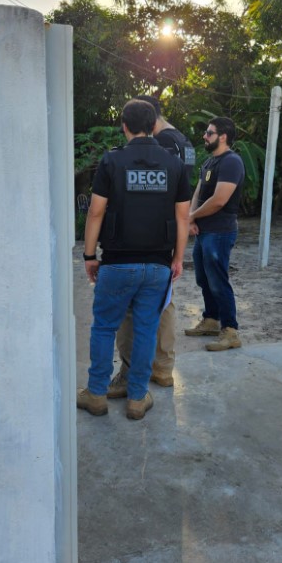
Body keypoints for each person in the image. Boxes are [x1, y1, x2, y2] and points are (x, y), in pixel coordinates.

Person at [77, 99, 191, 420]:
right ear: (153, 125)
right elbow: (182, 218)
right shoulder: (174, 164)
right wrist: (178, 258)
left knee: (104, 328)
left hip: (117, 262)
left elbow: (96, 212)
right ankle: (138, 398)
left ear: (124, 126)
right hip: (158, 265)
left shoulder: (112, 161)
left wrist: (89, 255)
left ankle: (96, 394)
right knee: (145, 330)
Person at [108, 94, 195, 397]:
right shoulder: (182, 141)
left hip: (150, 237)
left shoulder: (163, 144)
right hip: (168, 236)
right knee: (164, 302)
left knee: (138, 309)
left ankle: (135, 372)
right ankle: (163, 369)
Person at [184, 116, 245, 351]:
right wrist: (192, 217)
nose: (205, 136)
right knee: (203, 278)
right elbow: (198, 193)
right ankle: (211, 320)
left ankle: (230, 331)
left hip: (220, 232)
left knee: (218, 281)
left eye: (209, 133)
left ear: (223, 136)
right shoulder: (210, 162)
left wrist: (192, 216)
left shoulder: (232, 162)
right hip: (204, 231)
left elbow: (219, 200)